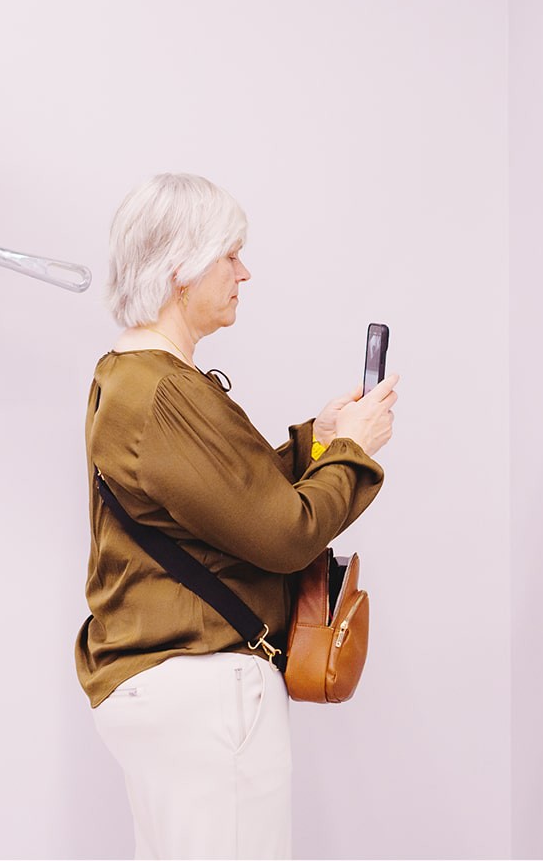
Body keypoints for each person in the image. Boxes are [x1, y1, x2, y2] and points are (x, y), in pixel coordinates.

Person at [77, 172, 397, 860]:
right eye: (229, 255)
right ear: (180, 269)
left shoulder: (126, 375)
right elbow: (287, 534)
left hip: (166, 691)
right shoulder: (166, 393)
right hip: (204, 696)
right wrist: (354, 452)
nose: (243, 273)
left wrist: (319, 440)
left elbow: (221, 498)